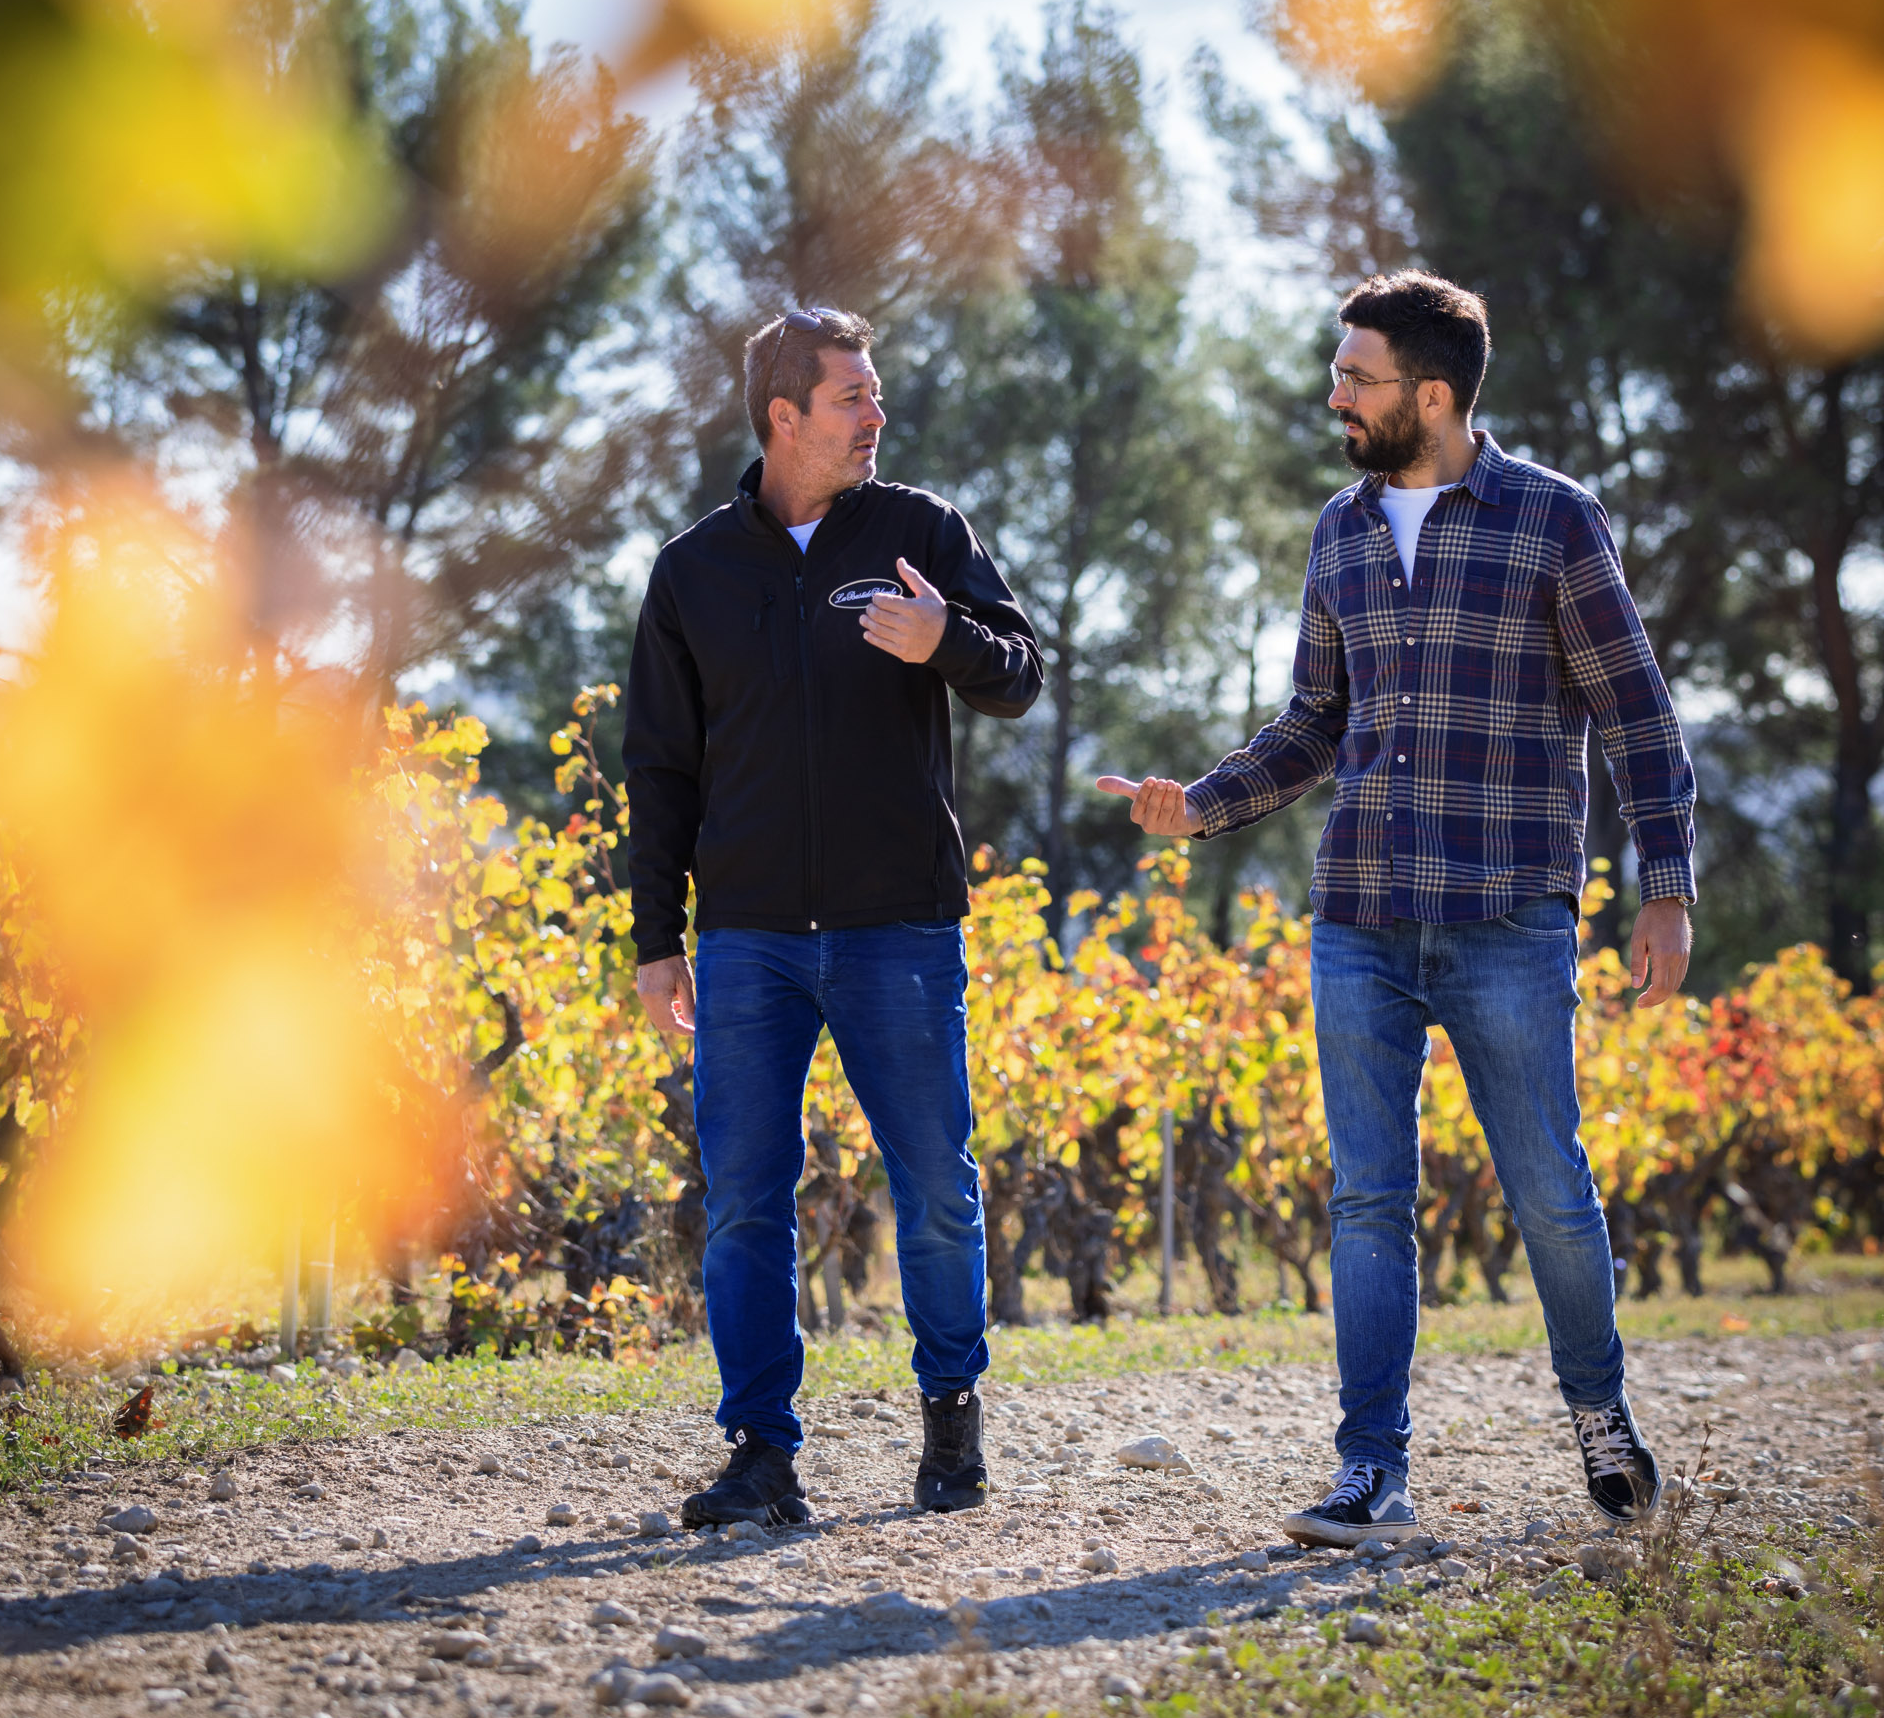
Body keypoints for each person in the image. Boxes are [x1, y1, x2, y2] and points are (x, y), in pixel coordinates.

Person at [1099, 270, 1695, 1546]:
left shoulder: (1550, 520)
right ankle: (1370, 1466)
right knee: (1366, 1200)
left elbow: (1634, 714)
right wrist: (1200, 802)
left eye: (1354, 377)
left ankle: (1597, 1414)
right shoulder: (1341, 529)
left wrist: (1664, 887)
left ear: (1431, 393)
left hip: (1506, 915)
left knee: (1546, 1186)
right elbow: (1313, 721)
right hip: (1360, 913)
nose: (1335, 395)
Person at [625, 306, 1043, 1527]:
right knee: (746, 1194)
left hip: (897, 927)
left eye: (875, 393)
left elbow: (1020, 672)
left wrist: (942, 637)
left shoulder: (920, 531)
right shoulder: (693, 569)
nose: (876, 415)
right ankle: (760, 1451)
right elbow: (659, 765)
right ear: (784, 415)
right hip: (747, 935)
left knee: (936, 1184)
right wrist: (659, 940)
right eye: (852, 396)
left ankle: (949, 1428)